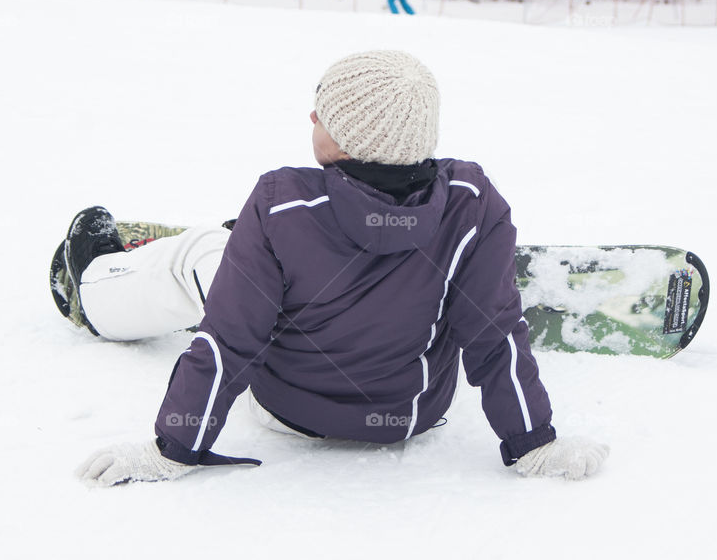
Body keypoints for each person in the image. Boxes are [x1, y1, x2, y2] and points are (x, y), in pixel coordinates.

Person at [62, 51, 609, 487]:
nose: (312, 116)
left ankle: (95, 289)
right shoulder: (472, 201)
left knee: (205, 252)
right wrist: (533, 443)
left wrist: (173, 448)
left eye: (323, 112)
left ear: (349, 139)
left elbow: (230, 338)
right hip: (412, 415)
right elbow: (493, 334)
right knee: (447, 289)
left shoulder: (279, 203)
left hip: (287, 412)